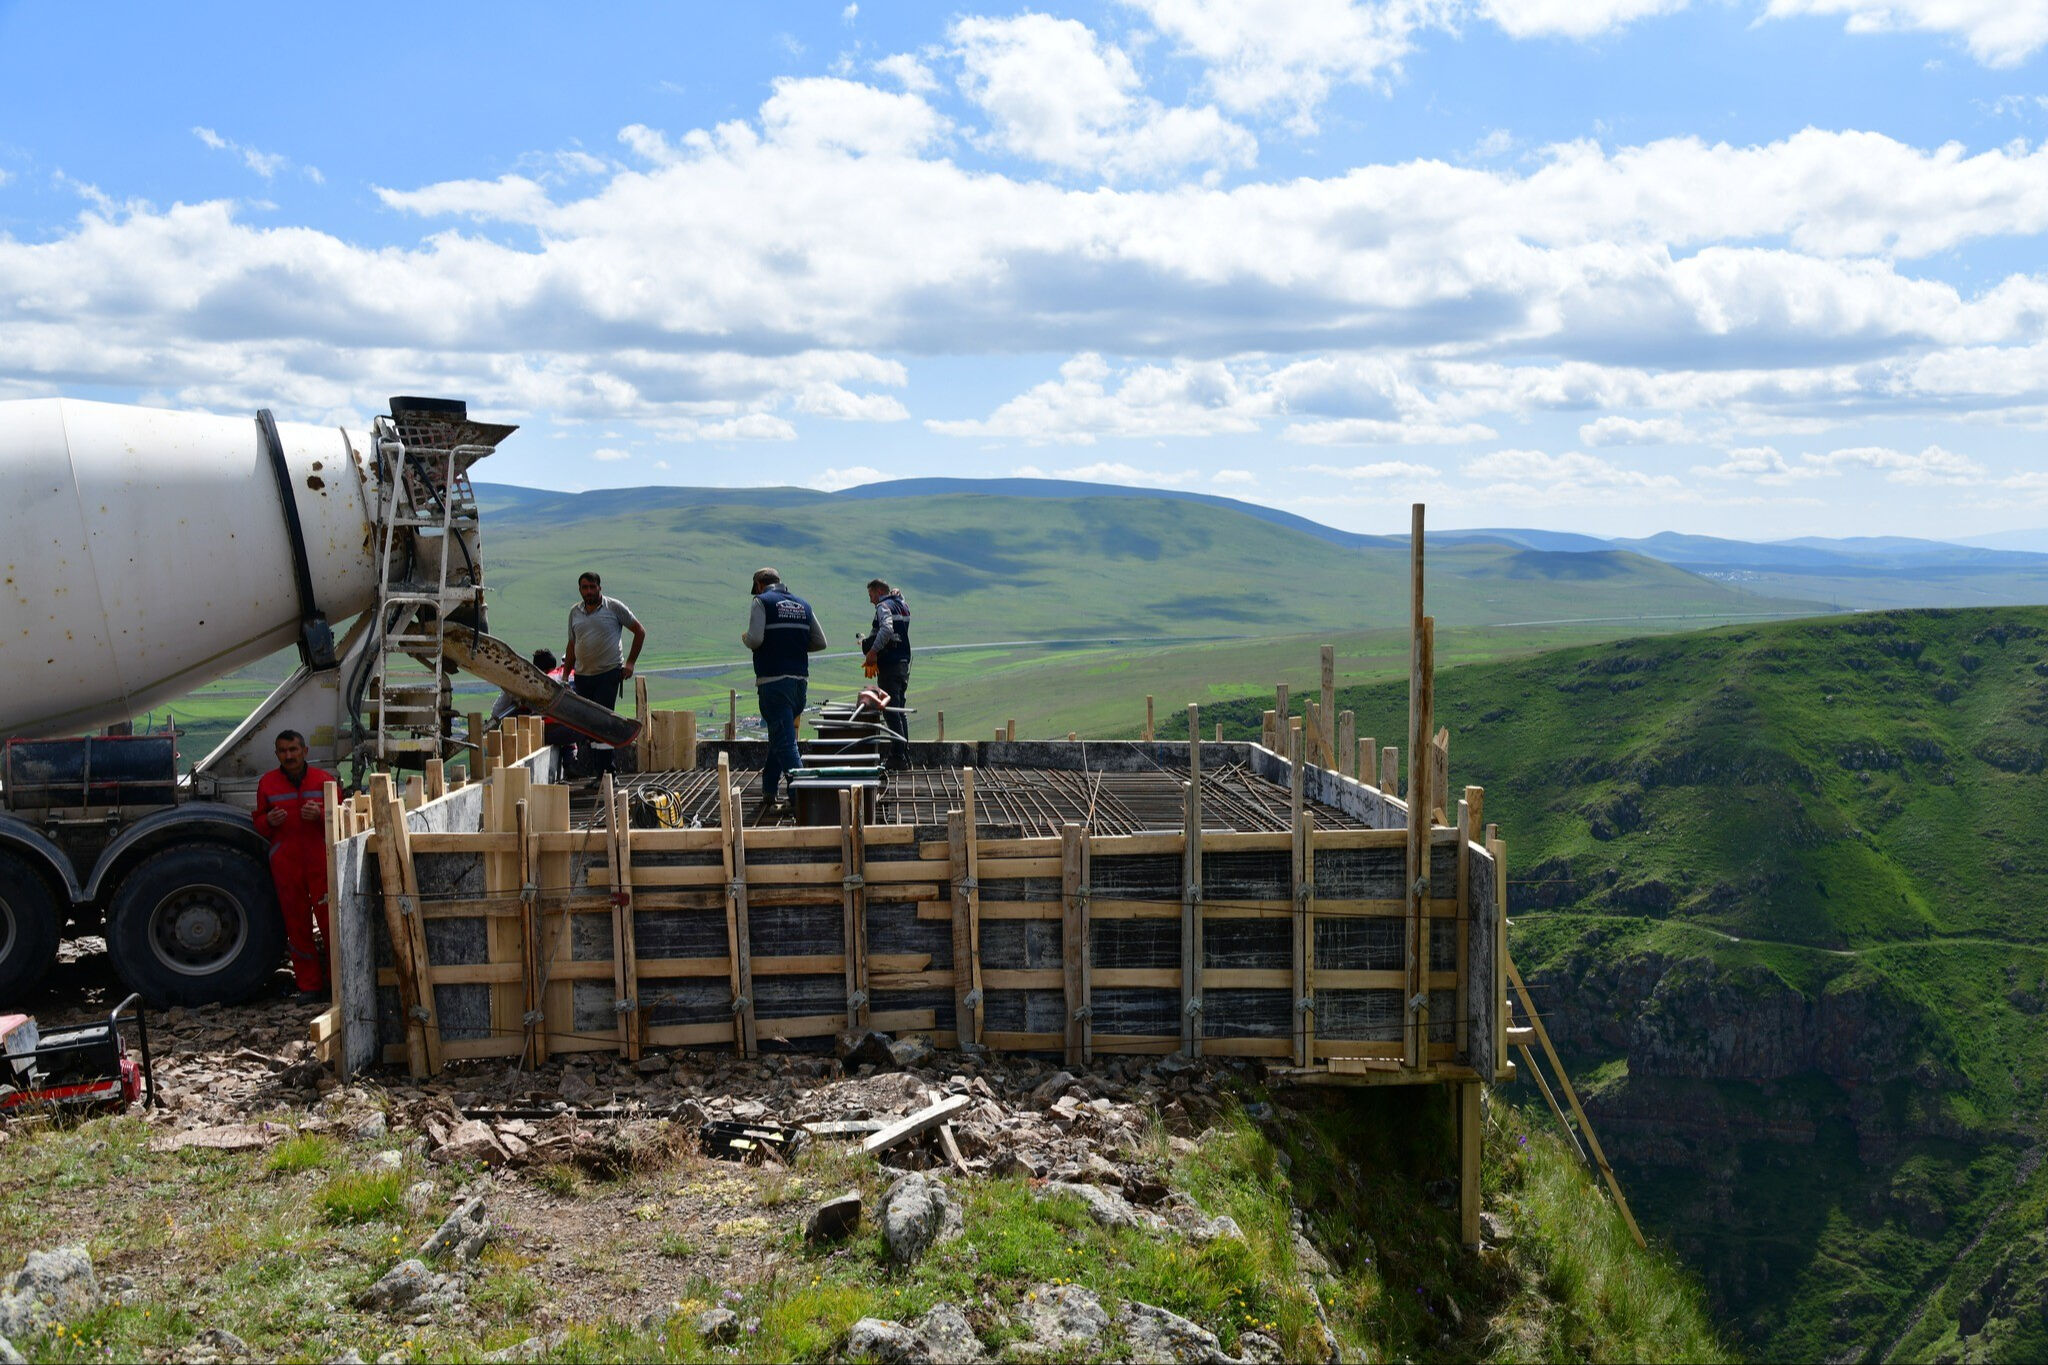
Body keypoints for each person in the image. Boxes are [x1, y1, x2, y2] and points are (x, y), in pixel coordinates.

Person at [254, 730, 338, 1002]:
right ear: (277, 754)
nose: (288, 755)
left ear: (305, 751)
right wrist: (270, 822)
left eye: (293, 749)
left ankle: (338, 984)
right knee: (297, 927)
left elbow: (345, 817)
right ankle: (310, 987)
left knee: (331, 924)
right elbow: (258, 823)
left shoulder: (324, 781)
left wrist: (322, 815)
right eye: (282, 751)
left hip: (321, 864)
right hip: (287, 866)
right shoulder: (268, 784)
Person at [741, 566, 827, 811]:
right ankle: (769, 789)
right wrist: (793, 646)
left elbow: (756, 639)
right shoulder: (803, 605)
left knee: (786, 744)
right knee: (781, 737)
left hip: (773, 683)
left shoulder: (761, 602)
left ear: (759, 584)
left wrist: (746, 638)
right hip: (799, 684)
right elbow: (820, 642)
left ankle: (802, 797)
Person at [562, 571, 645, 772]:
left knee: (603, 721)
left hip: (608, 673)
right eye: (585, 587)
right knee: (590, 724)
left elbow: (639, 631)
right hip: (583, 676)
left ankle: (608, 772)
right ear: (580, 590)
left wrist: (631, 663)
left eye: (592, 587)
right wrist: (565, 676)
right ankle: (597, 773)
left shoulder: (614, 607)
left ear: (600, 588)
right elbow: (572, 645)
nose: (589, 591)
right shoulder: (575, 612)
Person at [861, 578, 912, 768]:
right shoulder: (902, 605)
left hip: (890, 664)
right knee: (899, 711)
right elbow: (900, 599)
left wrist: (873, 651)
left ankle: (898, 756)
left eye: (871, 595)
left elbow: (887, 629)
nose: (871, 600)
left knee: (891, 711)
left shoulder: (883, 606)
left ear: (879, 591)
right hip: (903, 664)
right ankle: (904, 754)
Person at [489, 648, 560, 726]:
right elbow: (499, 709)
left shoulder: (556, 686)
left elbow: (497, 710)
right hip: (520, 727)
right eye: (551, 673)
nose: (552, 677)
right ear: (544, 672)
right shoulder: (517, 683)